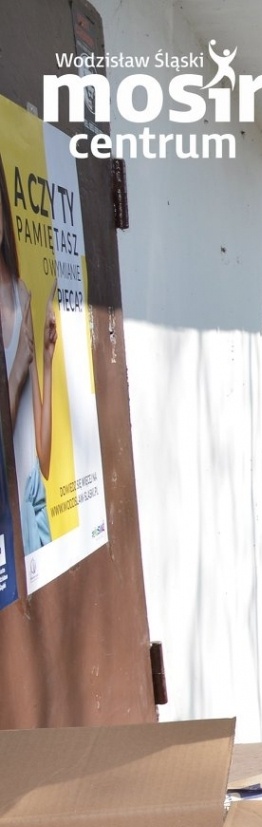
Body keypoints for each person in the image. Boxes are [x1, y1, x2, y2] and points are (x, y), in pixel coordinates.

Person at [1, 152, 57, 555]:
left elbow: (43, 457)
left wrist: (48, 362)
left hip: (35, 509)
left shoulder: (22, 295)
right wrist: (18, 371)